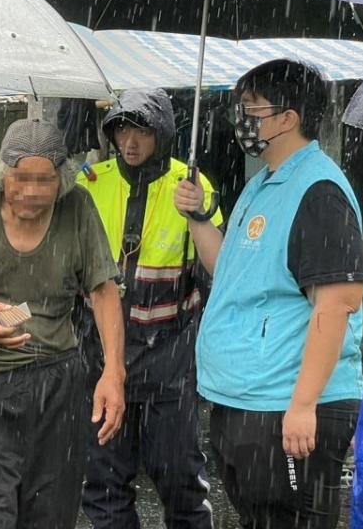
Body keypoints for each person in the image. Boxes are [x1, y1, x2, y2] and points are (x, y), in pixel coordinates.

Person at [175, 59, 363, 528]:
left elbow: (337, 304)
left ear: (288, 118)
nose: (242, 121)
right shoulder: (261, 185)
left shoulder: (319, 191)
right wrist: (200, 218)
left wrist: (303, 405)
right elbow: (231, 270)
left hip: (288, 403)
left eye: (252, 109)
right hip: (246, 399)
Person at [0, 117, 126, 529]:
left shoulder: (78, 206)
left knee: (50, 515)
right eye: (21, 179)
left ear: (62, 178)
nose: (32, 191)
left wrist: (114, 374)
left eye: (45, 180)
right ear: (2, 174)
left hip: (58, 383)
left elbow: (103, 291)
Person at [76, 89, 220, 529]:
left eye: (142, 130)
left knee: (177, 475)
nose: (131, 141)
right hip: (102, 352)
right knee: (102, 481)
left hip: (169, 354)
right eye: (122, 129)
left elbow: (218, 270)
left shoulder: (191, 185)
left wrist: (198, 212)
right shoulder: (89, 182)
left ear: (162, 133)